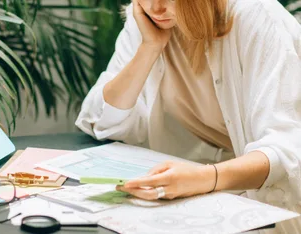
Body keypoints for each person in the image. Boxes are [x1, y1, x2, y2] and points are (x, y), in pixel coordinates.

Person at [75, 0, 301, 232]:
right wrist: (149, 48)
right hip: (195, 199)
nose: (156, 7)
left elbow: (286, 153)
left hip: (268, 207)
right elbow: (101, 120)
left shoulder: (259, 18)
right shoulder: (149, 21)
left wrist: (203, 179)